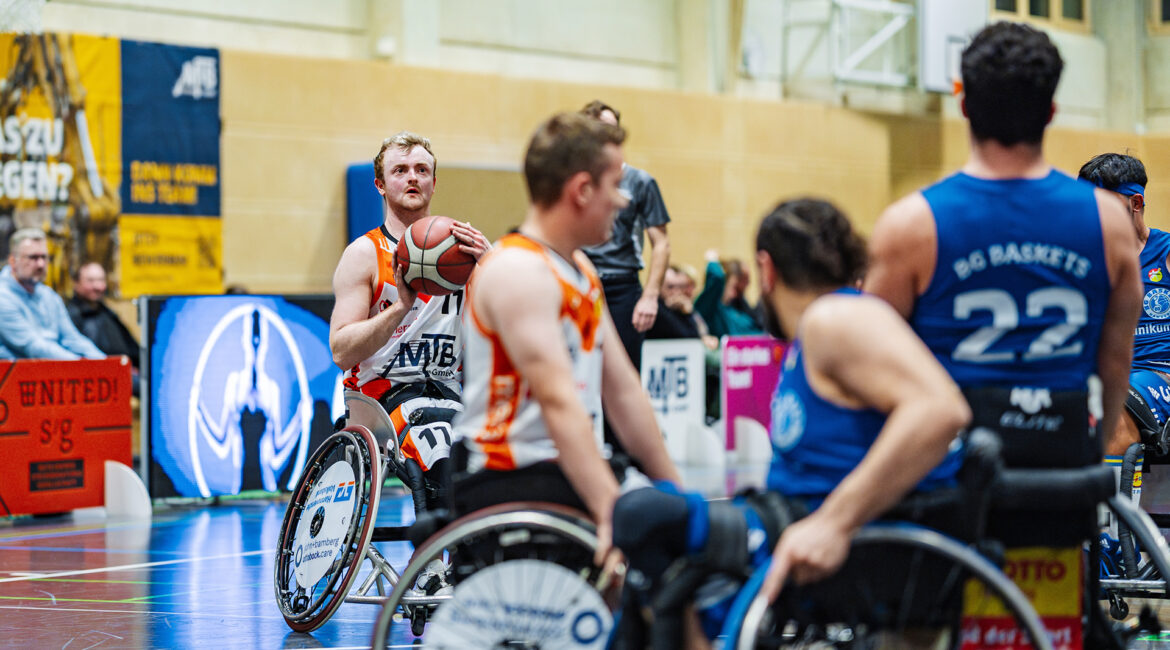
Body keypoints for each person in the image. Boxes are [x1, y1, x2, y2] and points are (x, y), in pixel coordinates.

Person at [610, 198, 970, 644]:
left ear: (767, 269)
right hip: (795, 514)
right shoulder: (826, 326)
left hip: (830, 530)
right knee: (655, 524)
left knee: (643, 516)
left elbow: (942, 409)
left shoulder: (836, 317)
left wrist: (834, 524)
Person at [864, 23, 1141, 474]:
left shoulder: (910, 226)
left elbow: (873, 368)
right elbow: (1115, 362)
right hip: (1060, 485)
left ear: (965, 106)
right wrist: (1083, 457)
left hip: (948, 490)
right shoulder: (1110, 224)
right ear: (1051, 111)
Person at [452, 112, 680, 564]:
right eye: (615, 185)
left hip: (565, 467)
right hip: (510, 474)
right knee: (655, 545)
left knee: (686, 536)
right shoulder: (519, 270)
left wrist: (677, 491)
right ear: (581, 190)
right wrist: (609, 511)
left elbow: (624, 391)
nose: (621, 201)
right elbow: (558, 403)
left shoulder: (581, 269)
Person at [329, 131, 491, 519]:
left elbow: (515, 328)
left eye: (422, 170)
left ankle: (477, 560)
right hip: (378, 396)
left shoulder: (465, 253)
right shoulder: (365, 254)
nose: (413, 177)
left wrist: (493, 265)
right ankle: (433, 566)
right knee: (438, 440)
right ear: (380, 185)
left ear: (435, 182)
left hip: (449, 391)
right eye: (400, 170)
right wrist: (400, 307)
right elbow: (341, 350)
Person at [1078, 154, 1166, 464]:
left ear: (1136, 203)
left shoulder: (1165, 253)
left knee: (1111, 413)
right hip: (1104, 372)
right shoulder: (1082, 259)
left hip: (1160, 373)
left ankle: (1108, 515)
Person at [579, 100, 672, 372]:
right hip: (582, 283)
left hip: (622, 289)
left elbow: (661, 243)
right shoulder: (577, 180)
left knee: (624, 372)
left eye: (611, 128)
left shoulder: (640, 182)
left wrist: (651, 296)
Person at [0, 228, 104, 361]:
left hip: (52, 372)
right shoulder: (3, 297)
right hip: (16, 376)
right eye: (33, 257)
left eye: (44, 257)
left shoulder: (49, 295)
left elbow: (71, 338)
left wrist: (104, 362)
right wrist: (79, 365)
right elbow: (34, 347)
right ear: (13, 261)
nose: (41, 264)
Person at [67, 262, 141, 369]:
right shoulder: (70, 316)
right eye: (90, 281)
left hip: (124, 372)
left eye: (101, 280)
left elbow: (134, 349)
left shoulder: (108, 313)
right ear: (76, 284)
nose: (97, 286)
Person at [693, 250, 763, 338]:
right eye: (733, 287)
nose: (734, 294)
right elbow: (717, 277)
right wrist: (712, 260)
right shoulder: (710, 309)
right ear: (722, 286)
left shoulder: (732, 312)